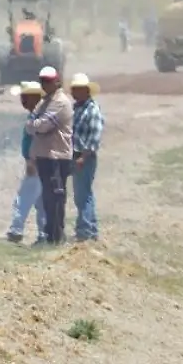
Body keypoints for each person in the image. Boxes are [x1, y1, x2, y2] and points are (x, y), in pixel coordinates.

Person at [26, 64, 75, 245]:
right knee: (47, 198)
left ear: (57, 81)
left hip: (57, 156)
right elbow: (31, 125)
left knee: (55, 198)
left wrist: (35, 125)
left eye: (47, 81)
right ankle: (50, 235)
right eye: (42, 81)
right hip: (45, 156)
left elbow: (43, 126)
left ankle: (56, 236)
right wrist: (36, 125)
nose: (44, 84)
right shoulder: (44, 102)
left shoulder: (60, 102)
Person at [6, 82, 47, 245]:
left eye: (25, 97)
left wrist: (31, 161)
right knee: (42, 201)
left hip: (36, 164)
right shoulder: (38, 114)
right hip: (41, 163)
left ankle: (16, 230)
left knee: (23, 198)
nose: (22, 101)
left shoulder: (38, 117)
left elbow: (38, 141)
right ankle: (44, 234)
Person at [70, 73, 106, 242]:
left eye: (78, 89)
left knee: (83, 194)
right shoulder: (77, 108)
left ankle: (86, 231)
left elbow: (94, 137)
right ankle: (88, 229)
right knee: (81, 194)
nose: (74, 93)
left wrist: (83, 157)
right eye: (73, 89)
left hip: (84, 157)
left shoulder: (92, 110)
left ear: (86, 91)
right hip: (76, 155)